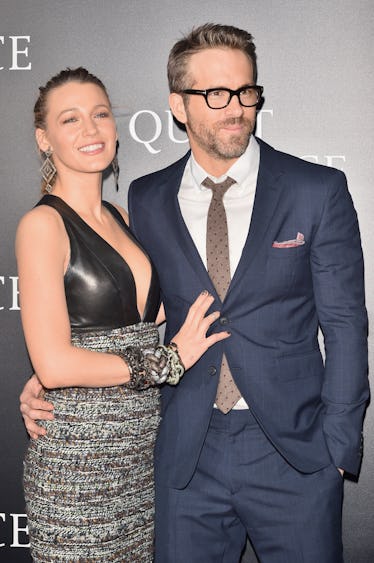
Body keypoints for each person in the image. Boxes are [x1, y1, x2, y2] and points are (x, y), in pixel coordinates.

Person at [21, 24, 369, 563]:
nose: (237, 108)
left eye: (247, 91)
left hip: (293, 455)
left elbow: (346, 325)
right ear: (178, 106)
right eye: (216, 94)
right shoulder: (150, 197)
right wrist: (52, 368)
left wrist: (338, 447)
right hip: (185, 453)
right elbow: (136, 312)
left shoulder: (314, 190)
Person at [16, 66, 229, 562]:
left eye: (100, 114)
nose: (90, 130)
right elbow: (56, 365)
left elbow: (137, 327)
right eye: (70, 120)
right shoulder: (42, 225)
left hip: (138, 467)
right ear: (44, 139)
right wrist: (167, 363)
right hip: (77, 472)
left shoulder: (125, 219)